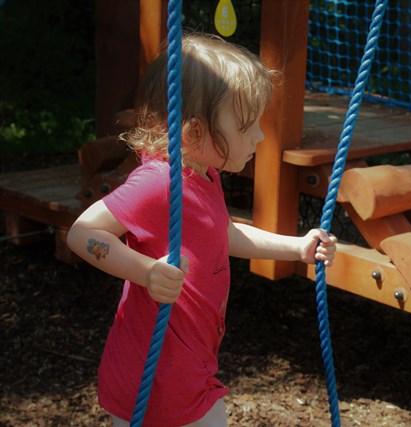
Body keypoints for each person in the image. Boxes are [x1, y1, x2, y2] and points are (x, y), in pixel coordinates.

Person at [66, 34, 337, 427]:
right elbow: (82, 233)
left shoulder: (205, 173)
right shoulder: (159, 183)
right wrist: (146, 271)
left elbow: (223, 235)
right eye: (246, 126)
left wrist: (296, 248)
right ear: (193, 133)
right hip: (153, 381)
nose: (259, 136)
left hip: (188, 366)